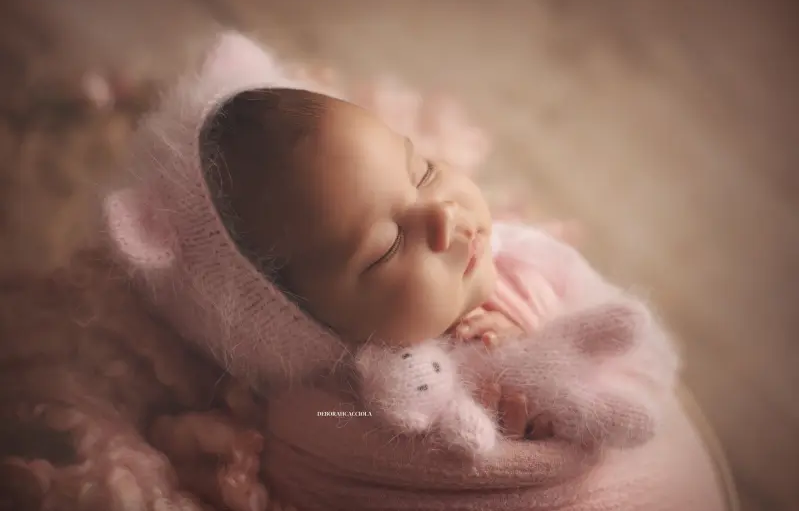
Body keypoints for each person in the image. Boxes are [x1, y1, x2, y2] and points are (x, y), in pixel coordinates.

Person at [104, 32, 731, 510]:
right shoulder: (323, 419)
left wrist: (548, 356)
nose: (443, 217)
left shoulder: (521, 260)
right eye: (383, 249)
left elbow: (637, 357)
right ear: (312, 332)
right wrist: (495, 428)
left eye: (423, 169)